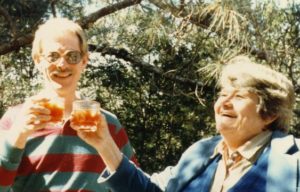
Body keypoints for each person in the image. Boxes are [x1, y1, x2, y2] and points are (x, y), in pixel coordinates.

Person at [72, 55, 299, 192]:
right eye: (223, 94)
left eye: (239, 97)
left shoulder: (294, 162)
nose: (225, 103)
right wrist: (104, 144)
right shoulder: (203, 152)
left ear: (270, 114)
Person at [0, 18, 138, 191]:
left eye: (72, 56)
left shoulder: (107, 124)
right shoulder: (14, 120)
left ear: (84, 62)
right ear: (38, 60)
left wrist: (107, 145)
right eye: (53, 56)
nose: (62, 65)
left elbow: (136, 187)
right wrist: (16, 137)